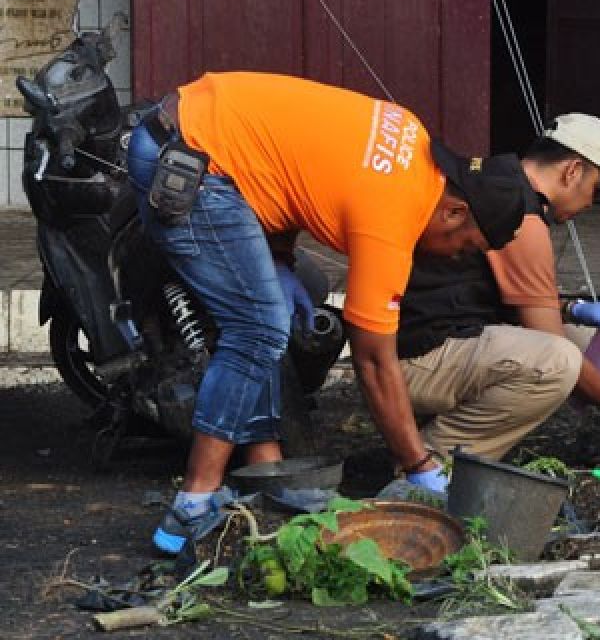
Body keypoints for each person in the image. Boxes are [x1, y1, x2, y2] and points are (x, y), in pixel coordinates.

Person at [126, 72, 528, 554]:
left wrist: (281, 259)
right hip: (190, 165)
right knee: (258, 327)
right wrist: (420, 467)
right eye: (466, 248)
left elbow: (296, 161)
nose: (455, 257)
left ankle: (265, 467)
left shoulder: (411, 135)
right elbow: (374, 362)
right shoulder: (394, 220)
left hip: (196, 123)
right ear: (456, 212)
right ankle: (194, 502)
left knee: (269, 314)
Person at [393, 113, 600, 463]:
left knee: (587, 345)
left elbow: (501, 292)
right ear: (572, 171)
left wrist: (573, 309)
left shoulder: (499, 180)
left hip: (418, 336)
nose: (588, 203)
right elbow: (551, 344)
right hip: (409, 362)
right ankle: (429, 461)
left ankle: (453, 425)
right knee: (559, 362)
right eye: (595, 190)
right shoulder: (521, 218)